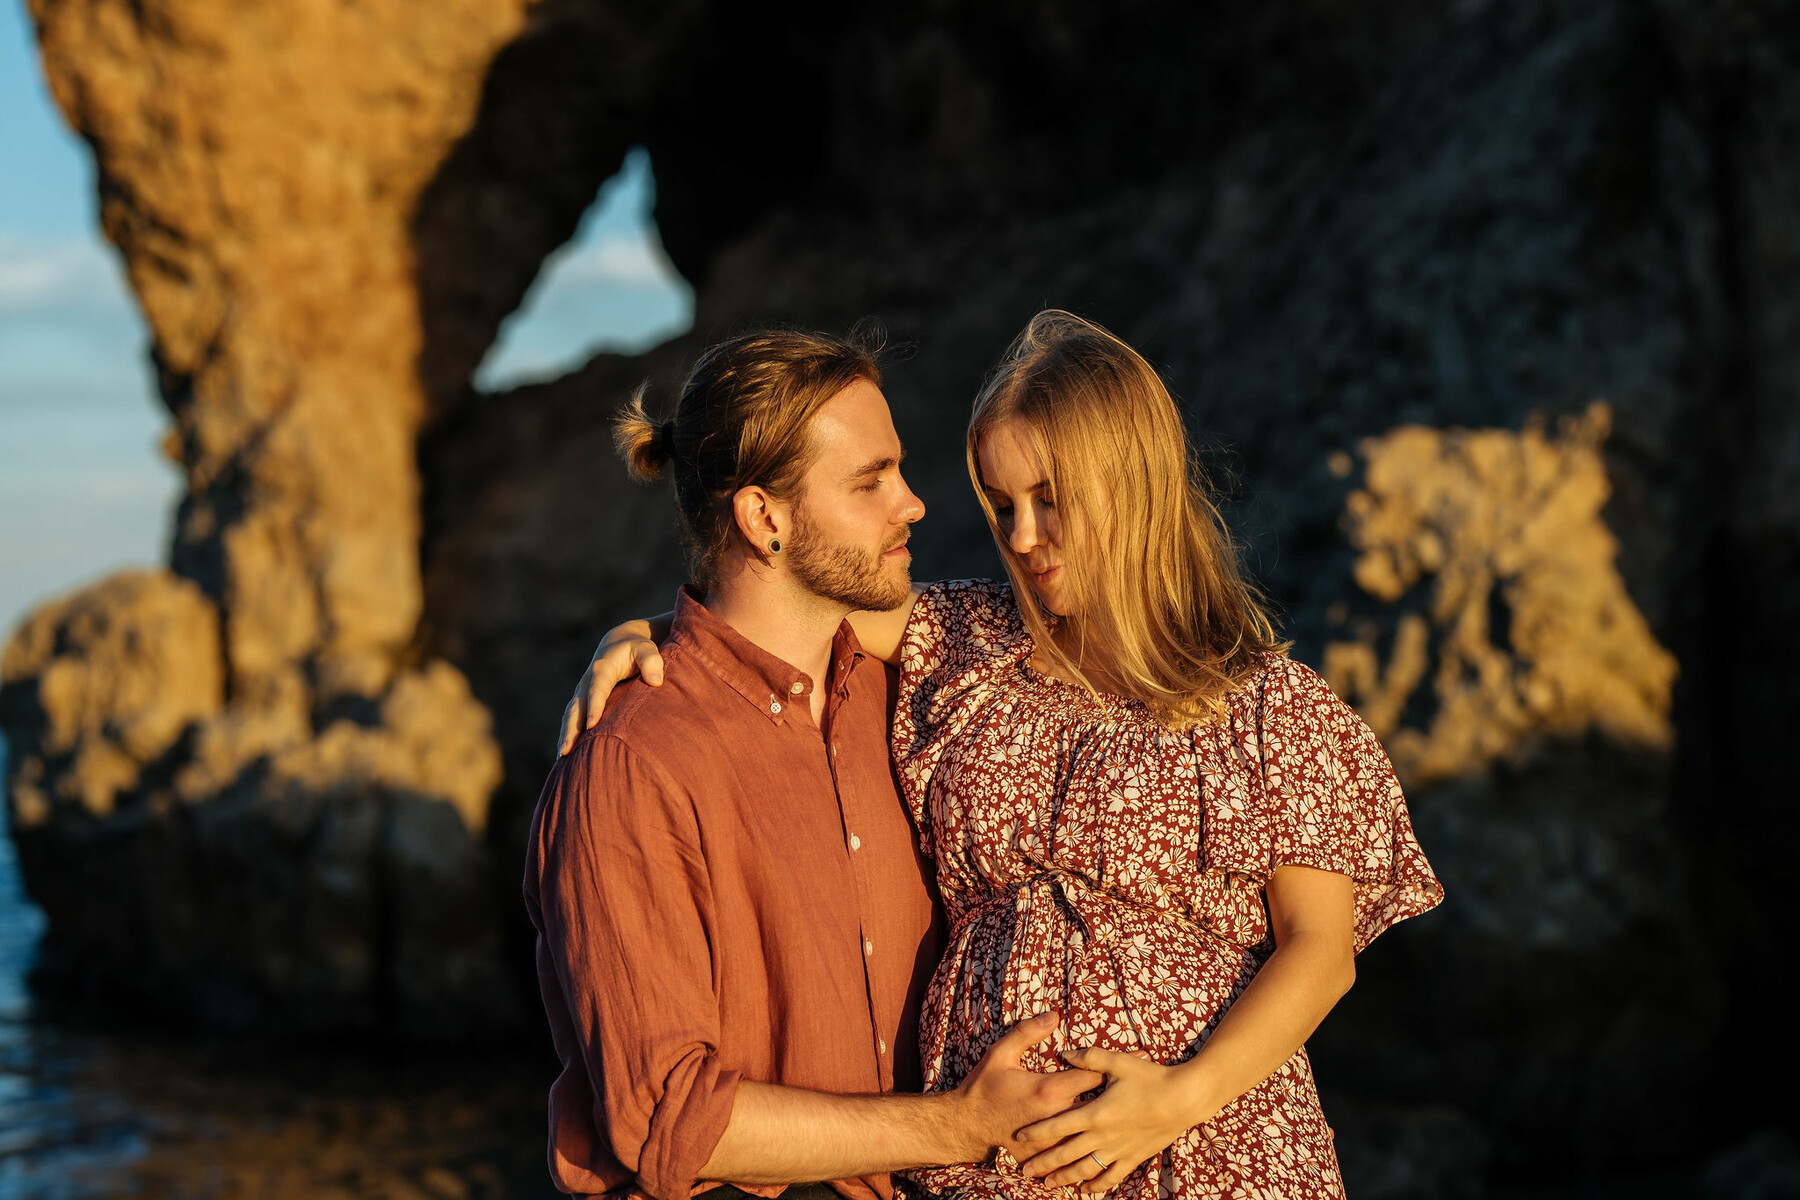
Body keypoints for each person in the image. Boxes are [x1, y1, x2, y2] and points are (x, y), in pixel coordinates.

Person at [568, 311, 1444, 1200]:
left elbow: (1322, 952)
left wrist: (1178, 1099)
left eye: (1051, 499)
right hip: (994, 1164)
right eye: (1002, 504)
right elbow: (777, 605)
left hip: (1213, 1144)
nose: (1023, 537)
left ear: (1130, 486)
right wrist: (636, 637)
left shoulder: (1268, 706)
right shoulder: (961, 643)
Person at [524, 328, 1103, 1200]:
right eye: (870, 481)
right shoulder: (631, 762)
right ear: (765, 519)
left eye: (899, 471)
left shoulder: (920, 691)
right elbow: (668, 1120)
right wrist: (957, 1124)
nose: (912, 504)